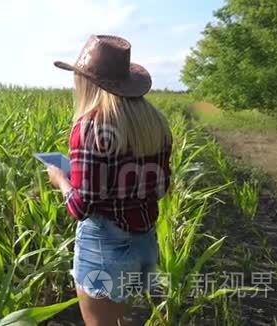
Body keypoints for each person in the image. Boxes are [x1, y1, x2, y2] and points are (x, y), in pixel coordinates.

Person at [46, 35, 172, 326]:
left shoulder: (90, 127)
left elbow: (80, 207)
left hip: (104, 246)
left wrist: (60, 180)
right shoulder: (156, 123)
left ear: (87, 82)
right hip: (144, 243)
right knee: (117, 320)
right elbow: (162, 187)